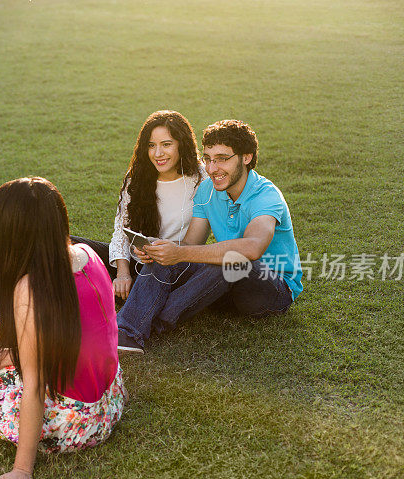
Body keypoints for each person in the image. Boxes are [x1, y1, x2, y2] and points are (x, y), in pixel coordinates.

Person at [0, 177, 127, 479]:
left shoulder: (30, 288)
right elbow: (80, 335)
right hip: (110, 399)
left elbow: (34, 387)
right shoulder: (87, 254)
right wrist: (8, 354)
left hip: (78, 422)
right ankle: (5, 362)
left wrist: (22, 468)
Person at [116, 120, 303, 353]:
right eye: (208, 158)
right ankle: (126, 332)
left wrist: (180, 252)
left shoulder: (266, 195)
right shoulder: (207, 190)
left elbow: (253, 248)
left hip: (271, 289)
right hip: (227, 289)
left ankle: (152, 319)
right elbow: (191, 244)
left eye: (222, 159)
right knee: (167, 253)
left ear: (246, 157)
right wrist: (160, 249)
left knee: (230, 258)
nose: (213, 168)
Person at [71, 110, 207, 301]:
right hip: (135, 261)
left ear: (182, 145)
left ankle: (111, 289)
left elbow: (195, 244)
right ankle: (120, 286)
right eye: (151, 146)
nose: (158, 154)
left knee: (152, 276)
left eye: (166, 145)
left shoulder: (202, 178)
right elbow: (121, 230)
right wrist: (122, 273)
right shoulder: (137, 177)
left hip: (172, 266)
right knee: (65, 243)